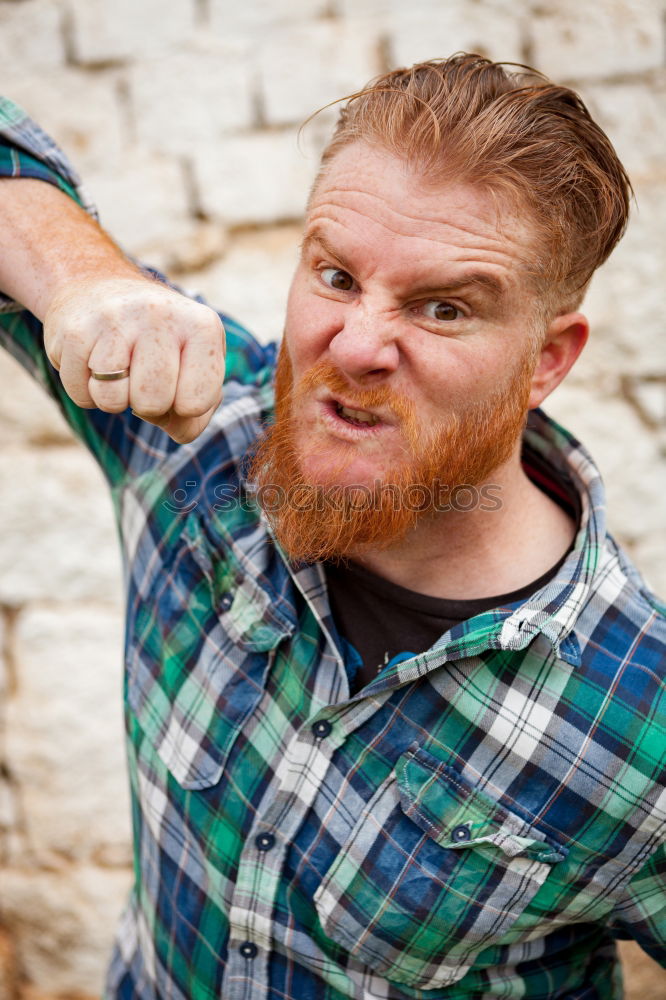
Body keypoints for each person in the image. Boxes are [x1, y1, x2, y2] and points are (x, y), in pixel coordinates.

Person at [0, 54, 664, 1000]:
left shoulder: (641, 719)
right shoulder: (198, 433)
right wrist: (80, 283)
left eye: (444, 307)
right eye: (336, 274)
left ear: (545, 361)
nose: (356, 346)